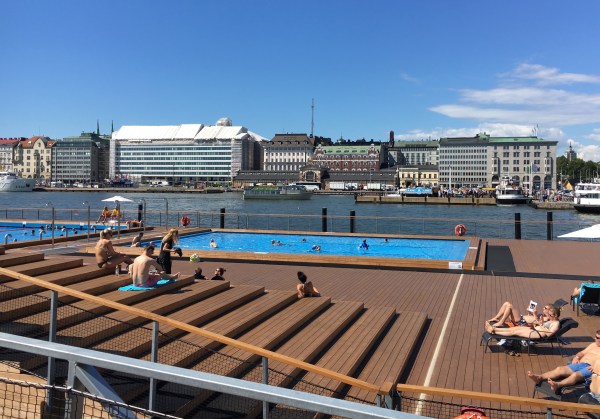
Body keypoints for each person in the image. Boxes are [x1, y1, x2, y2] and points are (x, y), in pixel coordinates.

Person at [527, 330, 600, 392]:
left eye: (597, 337)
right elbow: (582, 353)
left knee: (575, 375)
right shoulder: (593, 345)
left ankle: (558, 385)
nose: (594, 338)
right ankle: (539, 377)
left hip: (591, 368)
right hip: (580, 364)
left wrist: (595, 367)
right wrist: (577, 357)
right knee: (559, 369)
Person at [485, 306, 560, 338]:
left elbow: (549, 334)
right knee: (513, 329)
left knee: (514, 332)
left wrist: (541, 325)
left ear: (556, 315)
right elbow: (542, 326)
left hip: (536, 334)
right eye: (549, 314)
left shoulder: (556, 324)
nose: (549, 316)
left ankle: (493, 331)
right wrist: (541, 323)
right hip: (534, 329)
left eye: (551, 315)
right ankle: (494, 329)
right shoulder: (551, 320)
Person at [488, 301, 552, 326]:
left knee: (509, 306)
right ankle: (496, 318)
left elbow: (539, 324)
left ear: (549, 311)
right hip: (522, 319)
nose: (543, 308)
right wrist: (529, 312)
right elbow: (531, 319)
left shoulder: (547, 319)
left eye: (545, 308)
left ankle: (501, 322)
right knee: (506, 303)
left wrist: (535, 314)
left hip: (521, 323)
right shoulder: (541, 315)